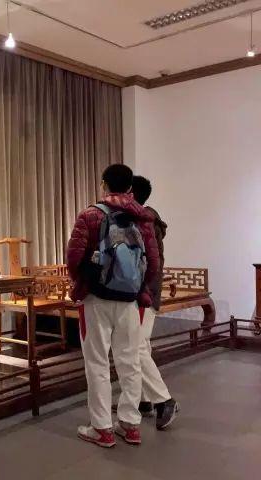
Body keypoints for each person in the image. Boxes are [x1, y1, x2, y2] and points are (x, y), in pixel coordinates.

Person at [66, 164, 159, 448]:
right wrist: (138, 286)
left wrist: (82, 282)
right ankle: (130, 425)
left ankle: (102, 428)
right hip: (130, 301)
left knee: (97, 363)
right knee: (130, 362)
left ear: (103, 184)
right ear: (130, 188)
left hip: (96, 298)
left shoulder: (90, 215)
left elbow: (73, 257)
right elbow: (153, 263)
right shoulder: (142, 218)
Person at [131, 175, 180, 430]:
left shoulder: (143, 221)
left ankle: (164, 400)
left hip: (143, 292)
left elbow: (147, 263)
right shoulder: (148, 219)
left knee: (136, 347)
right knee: (142, 345)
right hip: (147, 291)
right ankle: (144, 399)